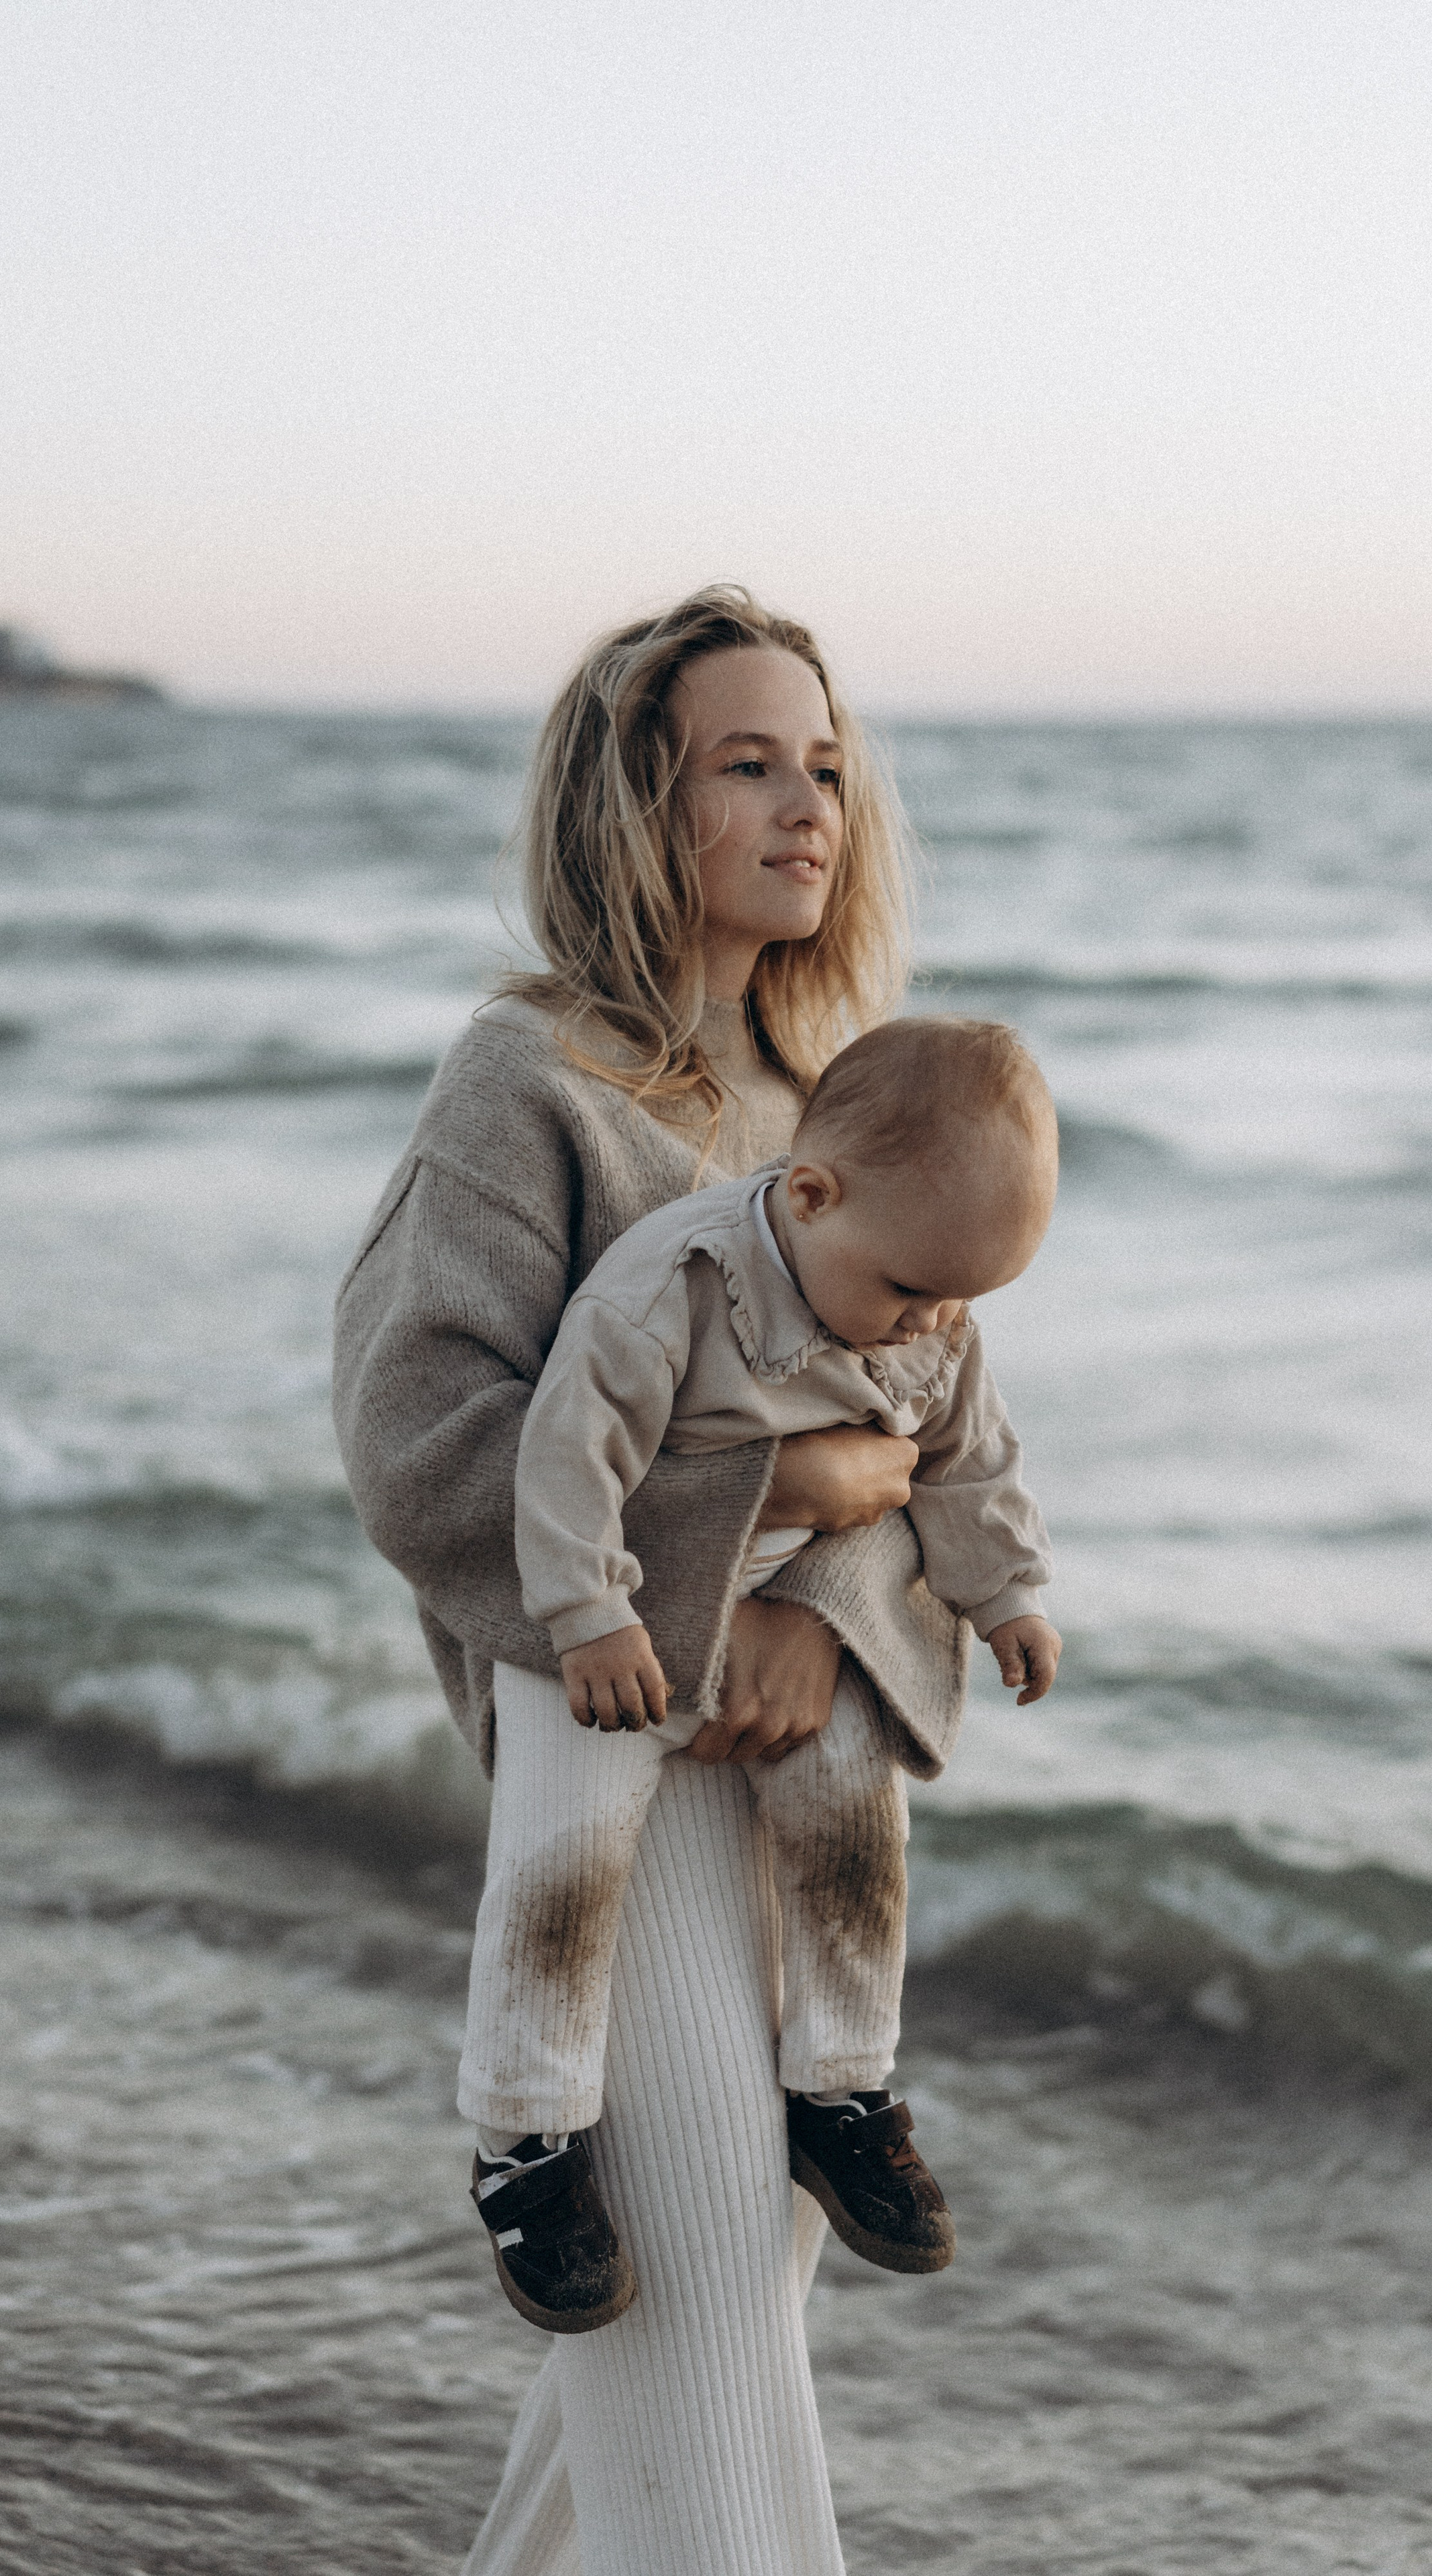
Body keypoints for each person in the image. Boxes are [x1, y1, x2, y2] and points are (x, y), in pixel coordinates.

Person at [333, 586, 1024, 2576]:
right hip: (617, 1777)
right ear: (638, 802)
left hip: (798, 1787)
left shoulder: (840, 1093)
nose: (808, 807)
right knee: (706, 2314)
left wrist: (829, 1605)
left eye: (826, 767)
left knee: (704, 2309)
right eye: (747, 764)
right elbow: (422, 1445)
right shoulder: (530, 1079)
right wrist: (760, 1502)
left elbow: (932, 1429)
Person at [463, 1017, 1062, 2332]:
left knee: (855, 1805)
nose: (934, 1322)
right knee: (563, 1854)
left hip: (784, 1602)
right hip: (615, 1602)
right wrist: (588, 1618)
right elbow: (564, 1458)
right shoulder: (670, 1288)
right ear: (809, 1196)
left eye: (962, 1301)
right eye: (911, 1293)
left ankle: (842, 2085)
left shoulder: (927, 1294)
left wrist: (1007, 1596)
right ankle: (524, 2140)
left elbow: (967, 1458)